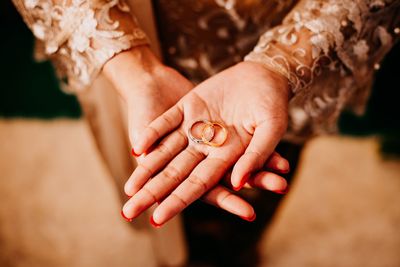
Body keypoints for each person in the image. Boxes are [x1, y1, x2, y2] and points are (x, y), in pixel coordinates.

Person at [12, 0, 399, 265]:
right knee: (152, 164)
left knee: (256, 159)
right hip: (137, 24)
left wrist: (282, 65)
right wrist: (133, 67)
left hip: (280, 29)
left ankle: (231, 250)